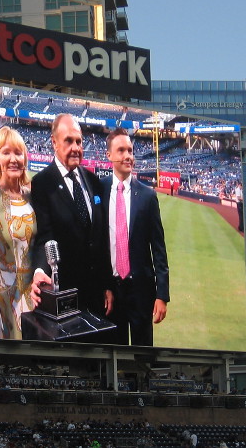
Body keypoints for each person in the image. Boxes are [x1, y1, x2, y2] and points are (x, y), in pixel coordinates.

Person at [30, 114, 113, 317]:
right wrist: (41, 271)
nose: (76, 147)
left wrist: (107, 284)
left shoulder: (93, 181)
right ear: (54, 142)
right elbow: (45, 236)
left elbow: (100, 238)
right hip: (65, 295)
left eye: (79, 141)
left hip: (96, 295)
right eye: (69, 140)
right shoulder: (43, 183)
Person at [102, 127, 169, 346]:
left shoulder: (148, 196)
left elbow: (158, 249)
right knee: (115, 355)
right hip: (111, 291)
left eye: (130, 150)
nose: (128, 156)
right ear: (109, 156)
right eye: (121, 150)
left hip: (141, 290)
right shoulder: (98, 190)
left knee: (143, 357)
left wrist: (162, 295)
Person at [0, 127, 37, 339]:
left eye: (18, 152)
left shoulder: (32, 195)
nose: (13, 159)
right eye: (6, 152)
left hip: (34, 297)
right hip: (5, 299)